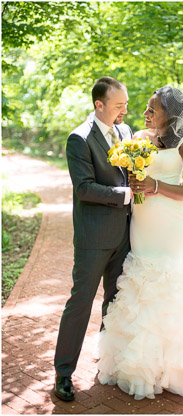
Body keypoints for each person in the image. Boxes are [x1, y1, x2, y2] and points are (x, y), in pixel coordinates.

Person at [96, 86, 183, 400]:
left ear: (170, 114)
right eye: (146, 108)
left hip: (171, 225)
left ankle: (175, 368)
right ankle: (140, 364)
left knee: (170, 284)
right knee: (142, 285)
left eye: (152, 109)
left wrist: (155, 185)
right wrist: (134, 181)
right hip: (143, 223)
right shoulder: (142, 138)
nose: (145, 114)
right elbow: (132, 176)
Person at [54, 77, 134, 402]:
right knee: (81, 302)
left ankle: (107, 361)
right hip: (93, 238)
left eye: (126, 104)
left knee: (115, 300)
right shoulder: (79, 139)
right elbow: (84, 188)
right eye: (118, 105)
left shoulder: (126, 132)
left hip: (126, 236)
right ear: (99, 105)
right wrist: (124, 195)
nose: (124, 110)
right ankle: (62, 373)